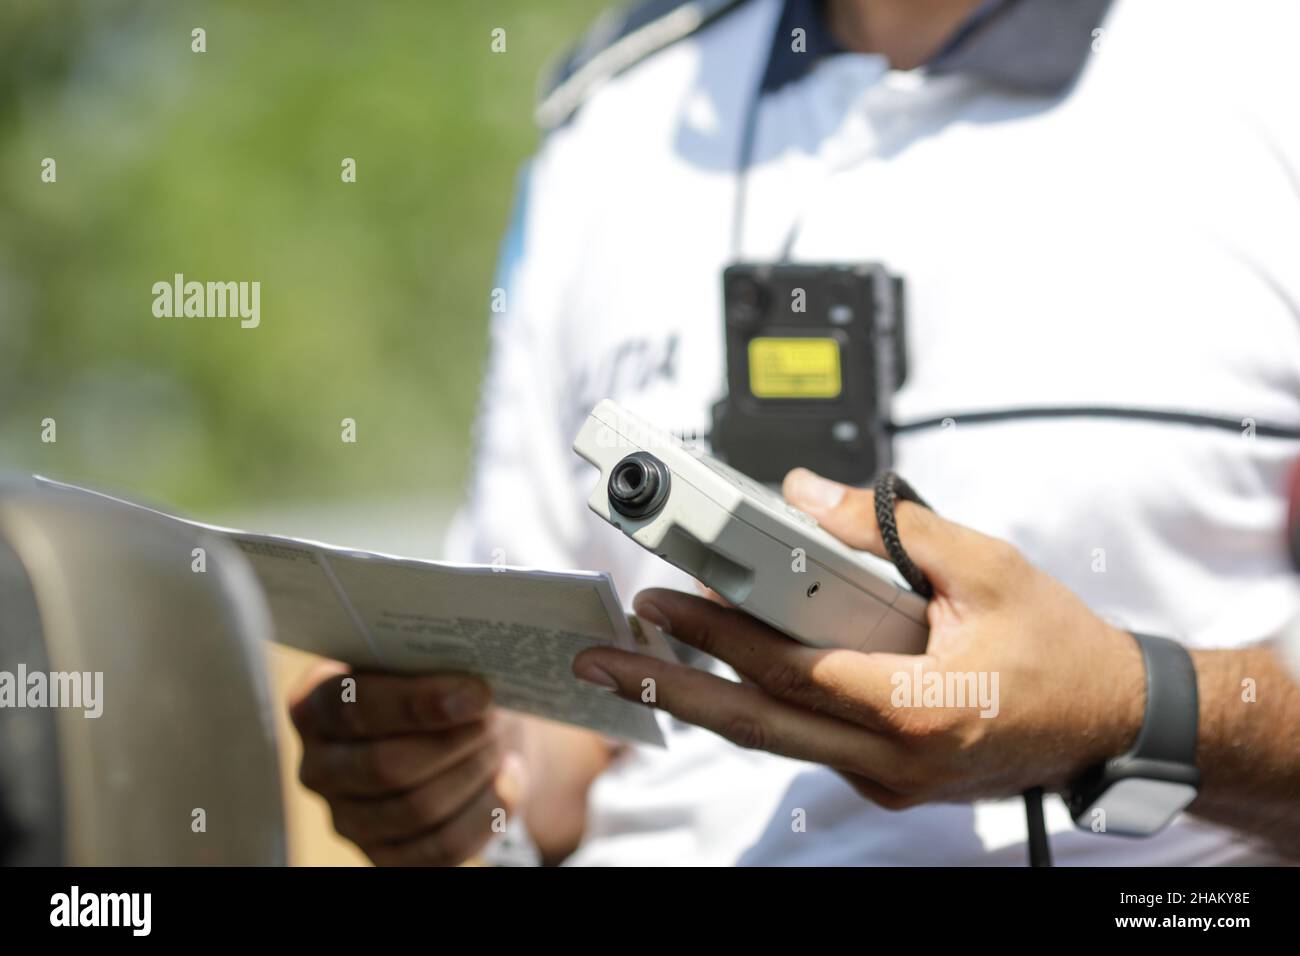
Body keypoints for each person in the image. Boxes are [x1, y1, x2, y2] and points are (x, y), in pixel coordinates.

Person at [289, 0, 1300, 865]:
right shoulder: (610, 122)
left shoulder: (1260, 64)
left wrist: (1122, 714)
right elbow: (557, 748)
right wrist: (463, 770)